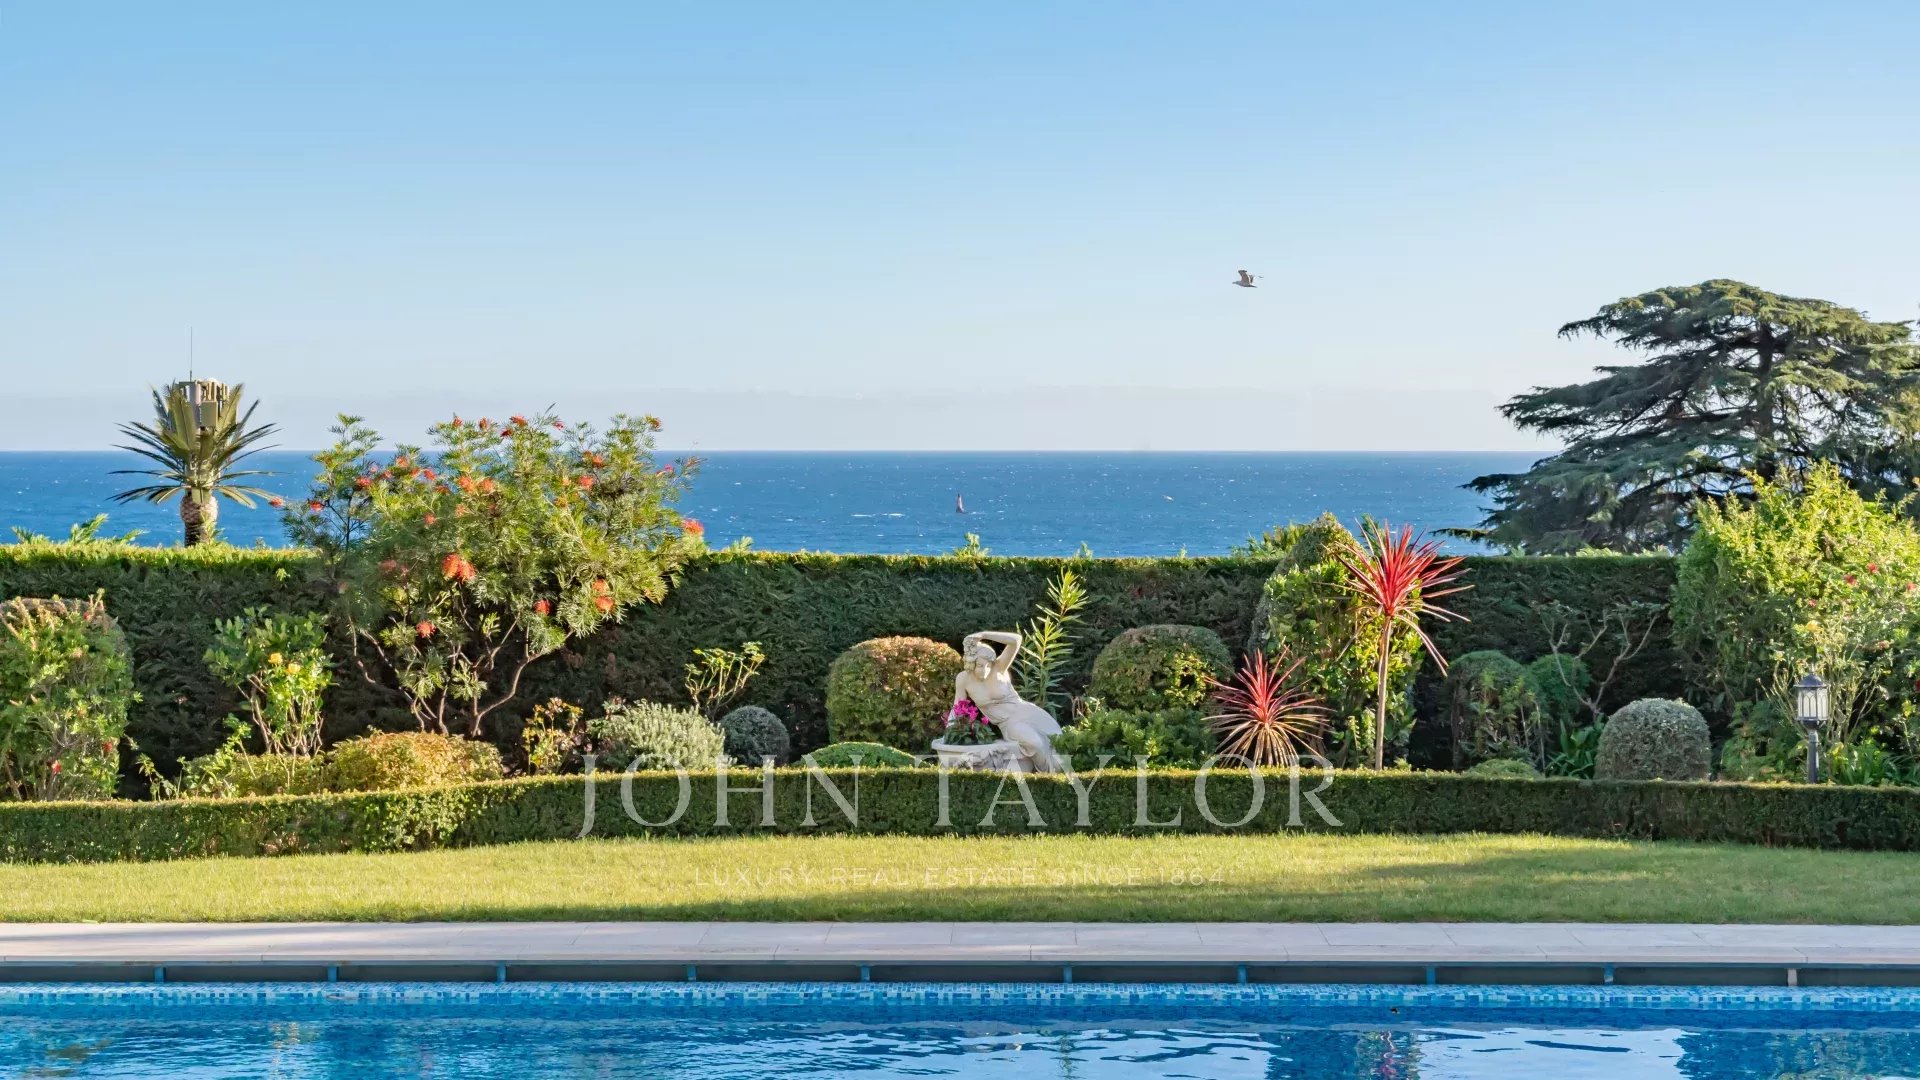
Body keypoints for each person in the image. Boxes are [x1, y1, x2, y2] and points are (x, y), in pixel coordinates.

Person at [954, 630, 1064, 772]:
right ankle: (1049, 777)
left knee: (1059, 742)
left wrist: (984, 635)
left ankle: (1059, 778)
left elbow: (1016, 640)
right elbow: (958, 708)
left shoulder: (999, 667)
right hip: (1009, 723)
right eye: (980, 666)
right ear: (972, 663)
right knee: (1036, 744)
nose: (985, 670)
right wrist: (953, 732)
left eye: (988, 665)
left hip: (1027, 712)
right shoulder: (964, 679)